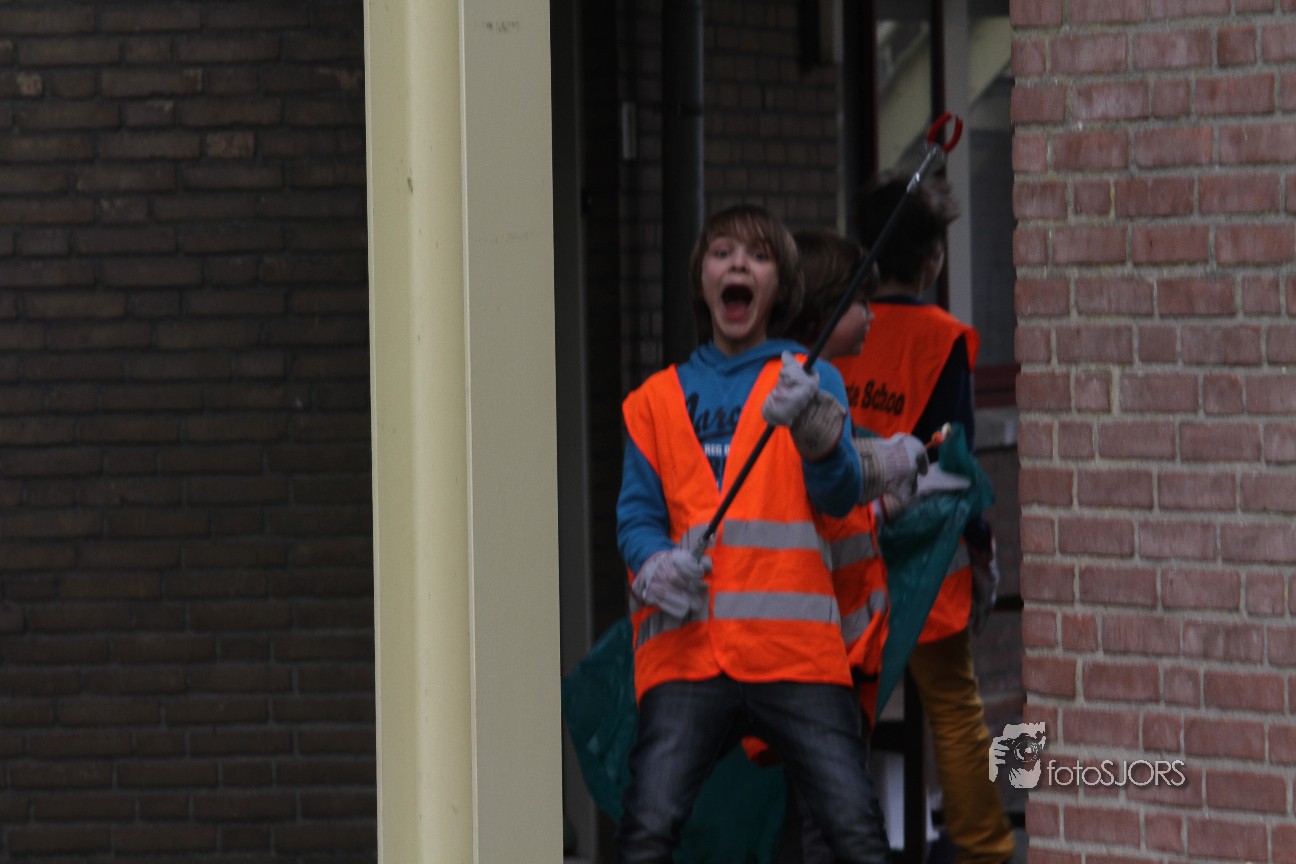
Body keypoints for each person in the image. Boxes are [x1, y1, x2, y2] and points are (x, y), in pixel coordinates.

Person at [614, 205, 904, 864]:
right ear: (702, 280)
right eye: (722, 253)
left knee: (855, 835)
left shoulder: (812, 380)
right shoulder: (654, 401)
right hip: (687, 653)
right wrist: (654, 563)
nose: (738, 264)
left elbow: (837, 496)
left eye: (758, 255)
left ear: (781, 287)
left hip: (794, 651)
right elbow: (637, 517)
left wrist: (818, 429)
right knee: (646, 834)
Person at [833, 171, 1012, 864]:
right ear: (935, 258)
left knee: (842, 716)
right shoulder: (944, 339)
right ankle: (986, 849)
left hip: (849, 553)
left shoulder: (838, 335)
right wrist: (981, 547)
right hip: (928, 558)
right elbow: (955, 461)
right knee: (954, 710)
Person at [775, 228, 926, 864]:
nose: (871, 315)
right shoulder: (822, 382)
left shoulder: (772, 381)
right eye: (861, 302)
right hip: (828, 649)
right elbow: (830, 498)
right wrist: (889, 471)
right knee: (836, 825)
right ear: (826, 308)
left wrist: (880, 501)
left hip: (793, 645)